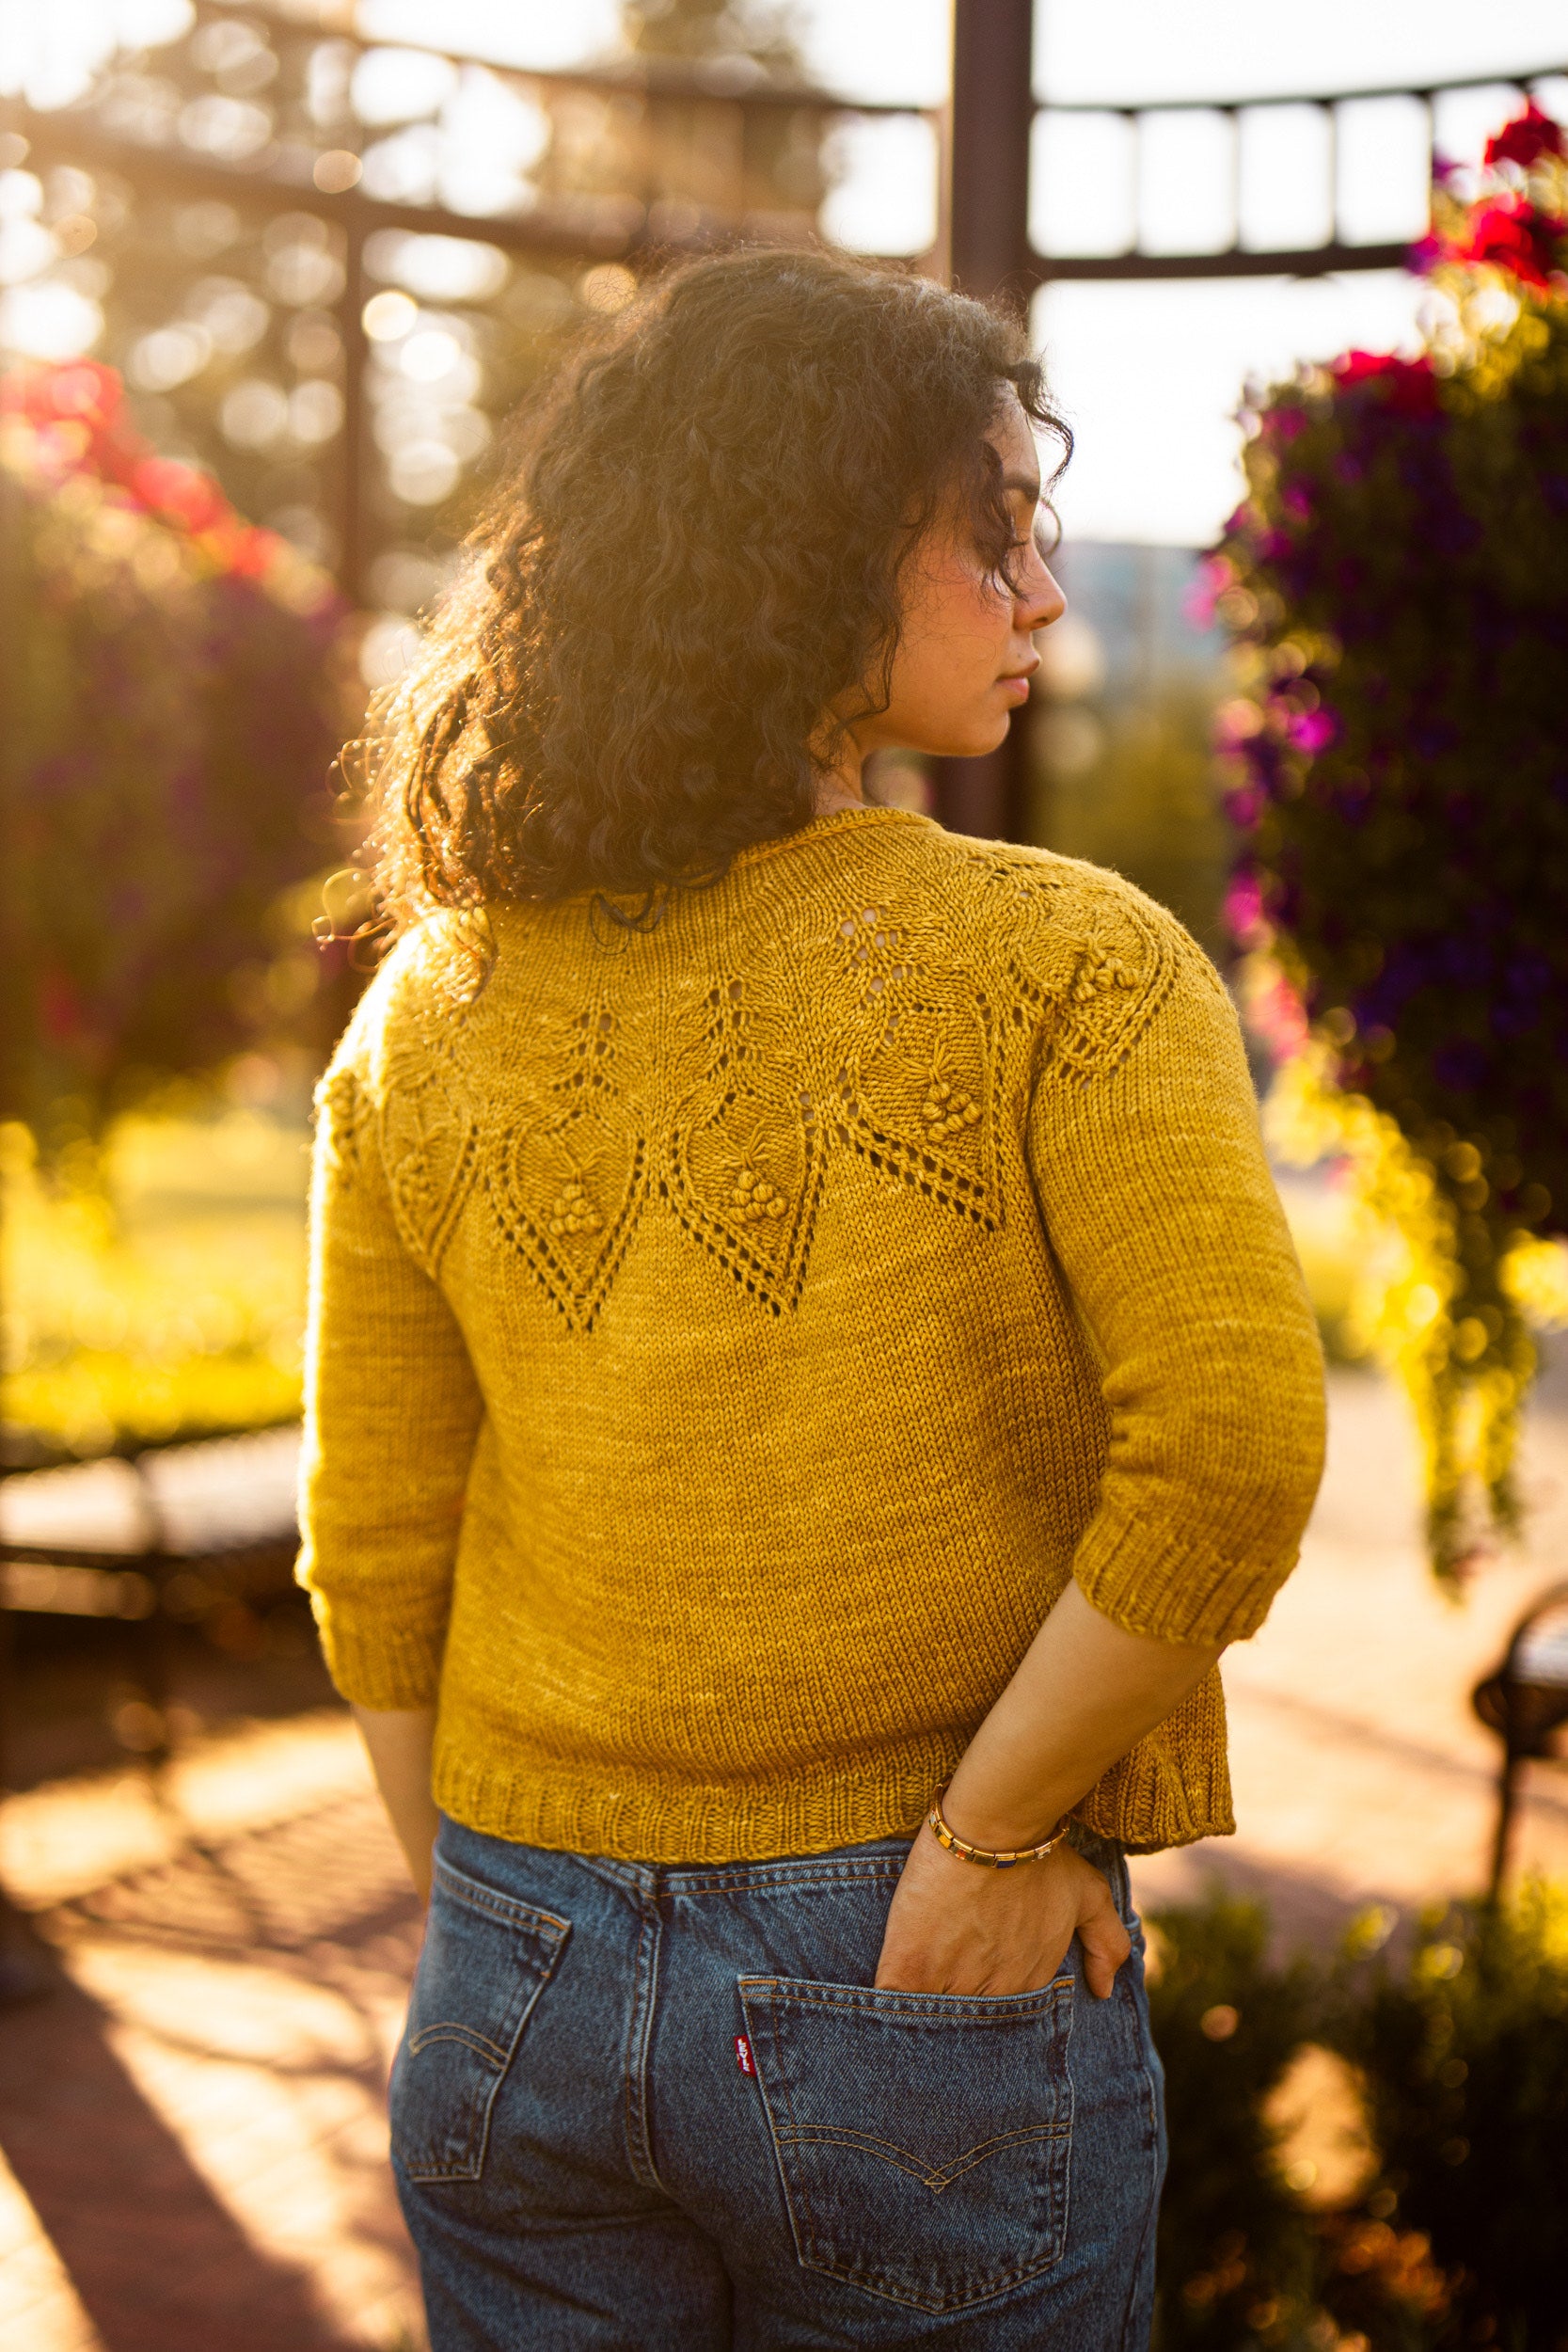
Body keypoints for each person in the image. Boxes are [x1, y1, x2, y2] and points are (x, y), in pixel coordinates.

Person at [298, 249, 1326, 2350]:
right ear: (819, 558)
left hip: (513, 1946)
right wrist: (990, 1830)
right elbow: (1228, 1443)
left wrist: (496, 1910)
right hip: (911, 1948)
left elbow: (376, 1553)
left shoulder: (429, 1010)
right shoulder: (1075, 961)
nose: (1040, 592)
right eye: (993, 531)